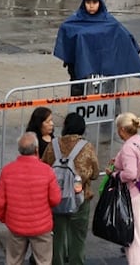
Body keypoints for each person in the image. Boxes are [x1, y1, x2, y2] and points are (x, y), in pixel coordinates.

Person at [53, 0, 140, 97]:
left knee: (108, 92)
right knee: (79, 91)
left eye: (94, 2)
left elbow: (122, 34)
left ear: (99, 3)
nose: (91, 5)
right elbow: (67, 32)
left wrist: (132, 48)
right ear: (84, 3)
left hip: (105, 66)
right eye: (88, 2)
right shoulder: (75, 21)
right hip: (80, 66)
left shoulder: (109, 21)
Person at [42, 113, 99, 265]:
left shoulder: (53, 145)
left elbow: (44, 167)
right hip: (80, 198)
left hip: (57, 198)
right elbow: (94, 173)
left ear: (65, 127)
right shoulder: (87, 147)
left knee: (57, 237)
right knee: (78, 238)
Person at [0, 132, 61, 265]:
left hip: (16, 225)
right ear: (36, 149)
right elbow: (55, 199)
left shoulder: (7, 171)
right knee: (43, 261)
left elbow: (0, 202)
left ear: (20, 150)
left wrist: (4, 218)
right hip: (41, 226)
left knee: (13, 260)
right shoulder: (47, 171)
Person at [112, 112, 140, 265]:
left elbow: (131, 173)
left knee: (133, 237)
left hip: (134, 195)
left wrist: (116, 175)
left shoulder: (128, 147)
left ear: (122, 129)